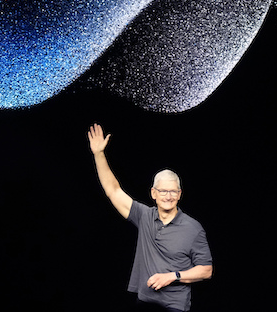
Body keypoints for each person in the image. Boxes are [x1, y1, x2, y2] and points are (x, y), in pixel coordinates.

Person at [87, 123, 213, 312]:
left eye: (173, 191)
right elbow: (113, 190)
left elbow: (206, 270)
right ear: (153, 193)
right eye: (163, 191)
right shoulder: (144, 216)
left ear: (179, 194)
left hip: (175, 307)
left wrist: (173, 276)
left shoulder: (193, 228)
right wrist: (98, 154)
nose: (168, 196)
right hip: (144, 303)